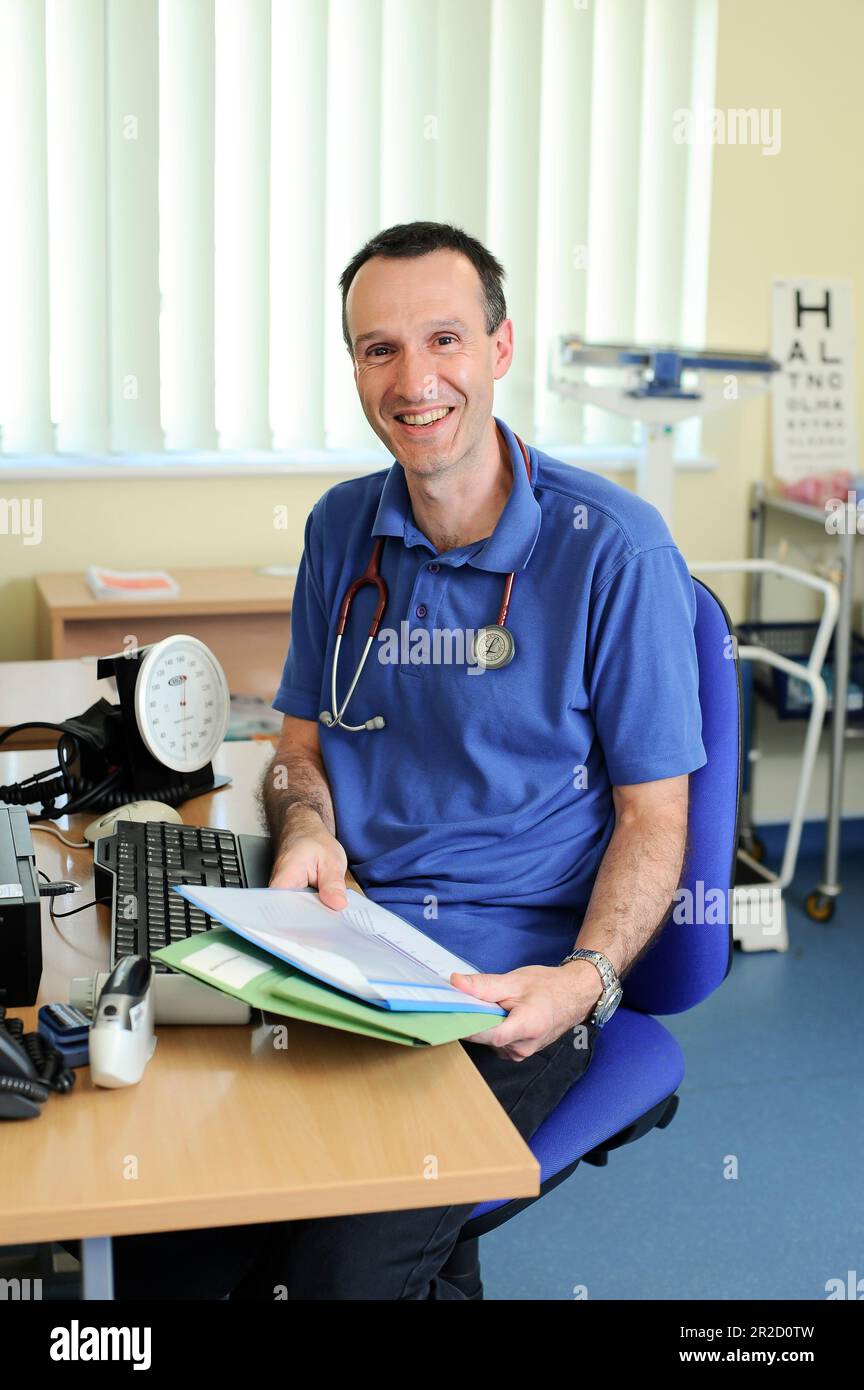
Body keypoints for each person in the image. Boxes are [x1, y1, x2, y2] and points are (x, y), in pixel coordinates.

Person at [111, 220, 706, 1299]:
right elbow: (298, 747)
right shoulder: (344, 527)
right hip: (345, 950)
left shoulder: (616, 552)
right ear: (354, 367)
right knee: (167, 1223)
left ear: (500, 347)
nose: (414, 378)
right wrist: (306, 829)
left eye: (443, 339)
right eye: (379, 348)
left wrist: (585, 982)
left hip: (510, 981)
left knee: (339, 1271)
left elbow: (656, 820)